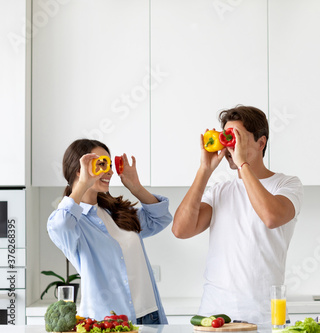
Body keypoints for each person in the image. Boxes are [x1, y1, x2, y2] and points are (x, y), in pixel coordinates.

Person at [172, 105, 303, 325]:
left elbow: (271, 217)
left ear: (261, 143)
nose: (230, 146)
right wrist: (204, 169)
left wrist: (242, 163)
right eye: (227, 138)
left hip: (264, 319)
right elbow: (181, 230)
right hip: (213, 318)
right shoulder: (219, 190)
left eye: (237, 138)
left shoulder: (287, 184)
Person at [47, 139, 172, 324]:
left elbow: (160, 218)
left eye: (110, 164)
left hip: (150, 315)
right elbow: (60, 225)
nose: (110, 171)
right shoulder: (74, 222)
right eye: (101, 164)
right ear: (79, 169)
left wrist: (135, 186)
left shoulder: (115, 213)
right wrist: (82, 183)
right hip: (110, 322)